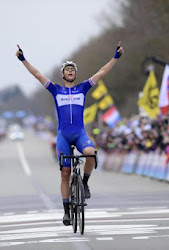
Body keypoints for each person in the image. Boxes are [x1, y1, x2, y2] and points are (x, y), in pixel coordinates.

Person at [15, 41, 124, 226]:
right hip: (64, 136)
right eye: (67, 69)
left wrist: (115, 57)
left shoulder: (83, 87)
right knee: (65, 173)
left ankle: (85, 182)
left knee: (90, 153)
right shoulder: (55, 90)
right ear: (63, 74)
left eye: (73, 69)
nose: (71, 71)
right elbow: (37, 74)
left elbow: (102, 72)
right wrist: (23, 59)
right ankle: (66, 212)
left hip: (80, 133)